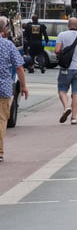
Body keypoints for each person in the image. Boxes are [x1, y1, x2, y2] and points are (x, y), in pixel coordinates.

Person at [0, 16, 28, 162]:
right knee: (1, 119)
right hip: (3, 87)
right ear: (4, 30)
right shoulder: (8, 45)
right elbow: (19, 67)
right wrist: (23, 86)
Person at [55, 17, 77, 124]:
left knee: (62, 90)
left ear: (68, 25)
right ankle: (74, 118)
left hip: (66, 68)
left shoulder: (62, 35)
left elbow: (57, 50)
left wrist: (62, 54)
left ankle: (66, 107)